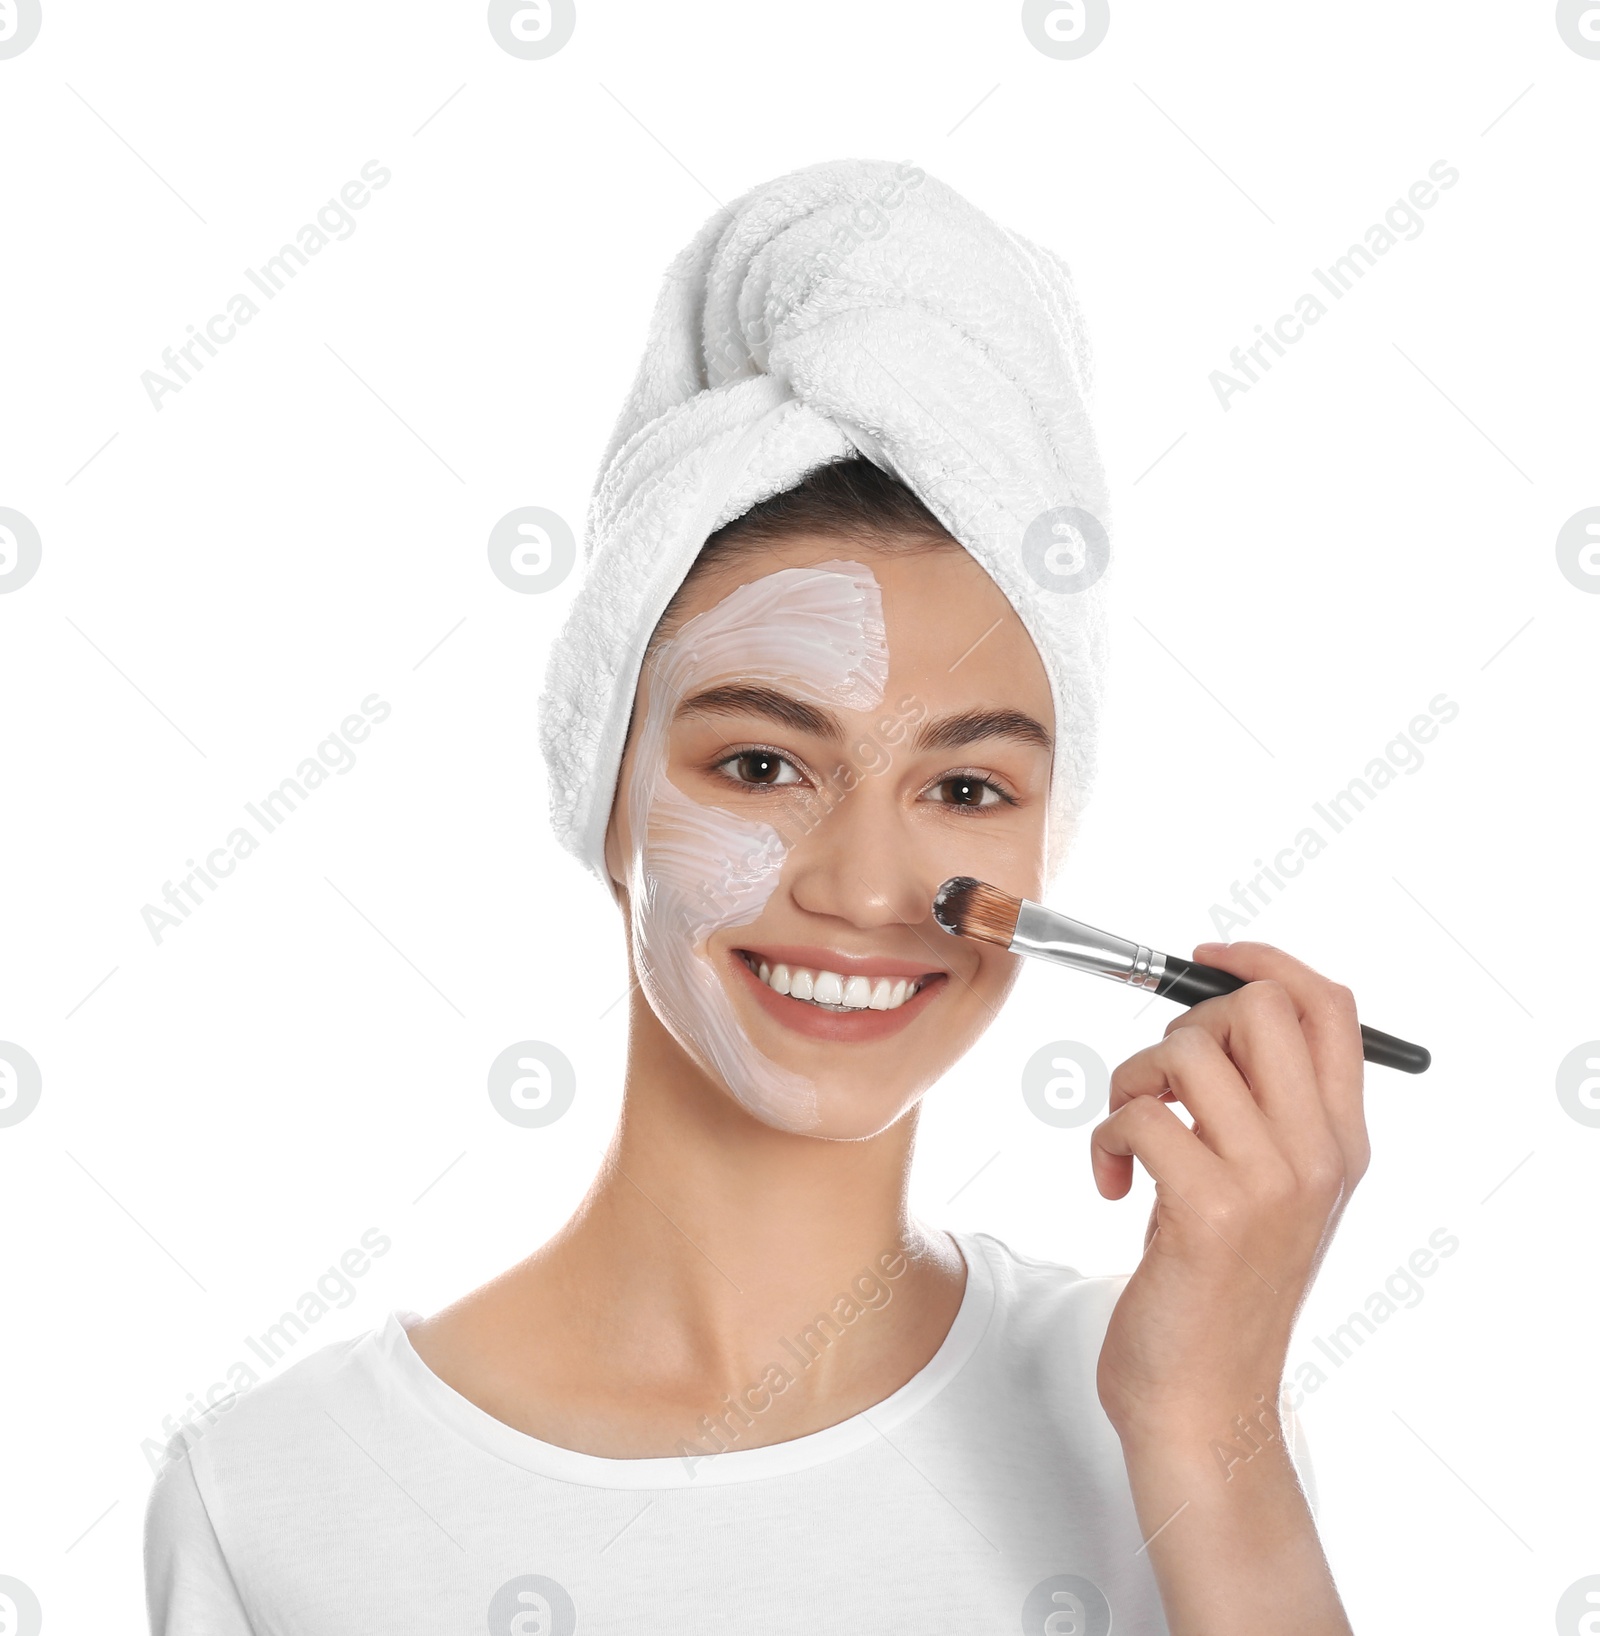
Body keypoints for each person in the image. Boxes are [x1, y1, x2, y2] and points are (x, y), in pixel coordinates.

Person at [145, 166, 1366, 1636]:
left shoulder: (1179, 1408)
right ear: (603, 792)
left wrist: (1203, 1433)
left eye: (968, 791)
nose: (863, 888)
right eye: (764, 761)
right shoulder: (280, 1499)